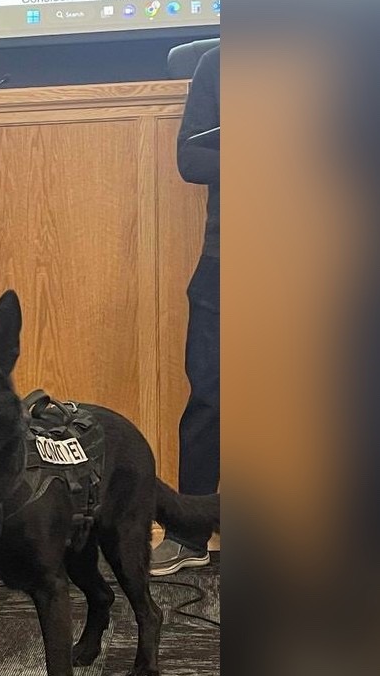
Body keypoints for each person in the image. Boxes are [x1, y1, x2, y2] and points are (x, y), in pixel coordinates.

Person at [152, 44, 220, 576]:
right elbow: (190, 159)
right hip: (226, 260)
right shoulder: (217, 64)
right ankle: (189, 533)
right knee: (208, 399)